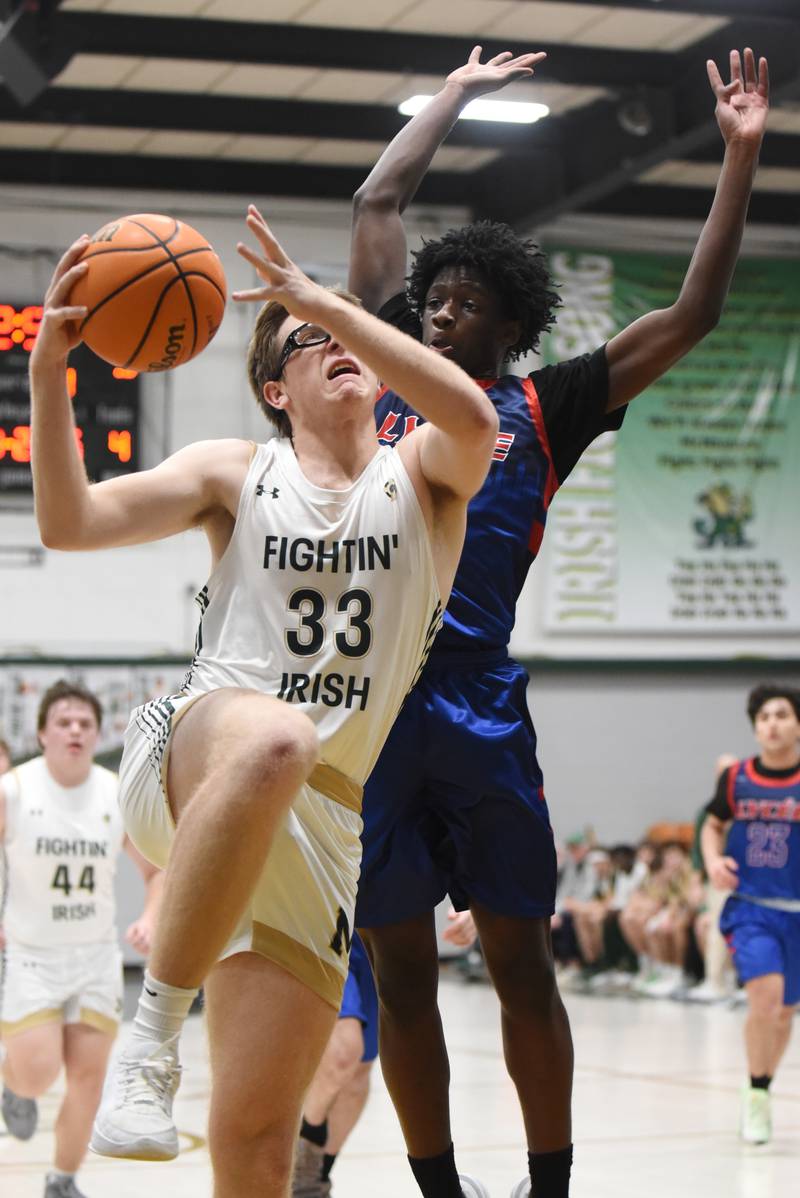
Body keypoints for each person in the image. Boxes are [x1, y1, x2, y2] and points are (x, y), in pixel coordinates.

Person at [347, 43, 770, 1198]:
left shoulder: (546, 404)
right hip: (372, 703)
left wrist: (737, 155)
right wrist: (451, 96)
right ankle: (438, 1188)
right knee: (398, 978)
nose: (440, 313)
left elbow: (693, 310)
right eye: (433, 299)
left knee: (522, 965)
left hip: (477, 702)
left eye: (465, 303)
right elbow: (377, 203)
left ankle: (548, 1187)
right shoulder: (383, 374)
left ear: (509, 326)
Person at [29, 206, 497, 1197]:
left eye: (341, 328)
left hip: (321, 822)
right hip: (197, 750)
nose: (332, 340)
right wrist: (48, 369)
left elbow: (474, 420)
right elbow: (69, 523)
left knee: (256, 1145)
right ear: (274, 390)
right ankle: (149, 1043)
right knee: (277, 736)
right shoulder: (235, 472)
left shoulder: (424, 475)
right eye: (304, 339)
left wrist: (322, 303)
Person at [0, 680, 162, 1198]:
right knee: (37, 1073)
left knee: (89, 1078)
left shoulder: (116, 792)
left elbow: (157, 870)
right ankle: (13, 1087)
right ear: (42, 733)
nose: (75, 730)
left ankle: (62, 1180)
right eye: (64, 722)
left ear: (97, 734)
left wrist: (151, 916)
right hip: (33, 957)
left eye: (85, 723)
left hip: (95, 958)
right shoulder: (14, 790)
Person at [700, 684, 800, 1145]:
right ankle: (757, 1094)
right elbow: (713, 825)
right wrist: (713, 860)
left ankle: (761, 1083)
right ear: (756, 728)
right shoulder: (736, 777)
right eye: (764, 717)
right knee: (765, 996)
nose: (772, 724)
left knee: (783, 1014)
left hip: (795, 911)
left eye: (781, 715)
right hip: (751, 907)